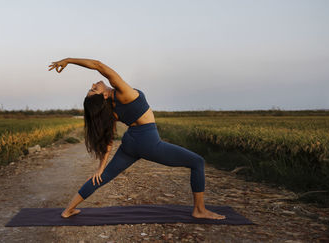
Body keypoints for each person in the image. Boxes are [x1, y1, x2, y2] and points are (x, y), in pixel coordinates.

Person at [48, 58, 226, 220]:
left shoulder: (112, 110)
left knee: (103, 177)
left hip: (131, 143)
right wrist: (68, 60)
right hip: (148, 142)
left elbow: (108, 140)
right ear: (103, 95)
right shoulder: (122, 93)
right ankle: (199, 210)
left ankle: (68, 210)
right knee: (197, 161)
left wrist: (100, 168)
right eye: (95, 88)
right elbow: (99, 66)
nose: (95, 83)